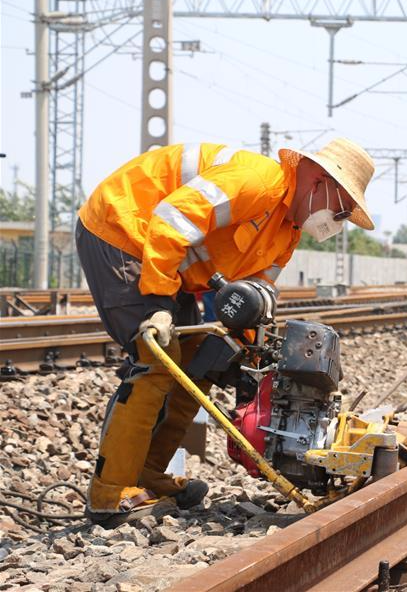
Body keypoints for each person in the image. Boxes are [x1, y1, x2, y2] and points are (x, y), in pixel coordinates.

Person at [76, 139, 375, 527]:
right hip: (122, 232)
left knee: (196, 366)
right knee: (158, 361)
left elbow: (252, 298)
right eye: (341, 210)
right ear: (320, 181)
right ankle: (110, 493)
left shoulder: (286, 233)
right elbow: (171, 218)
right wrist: (157, 306)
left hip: (167, 263)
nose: (337, 221)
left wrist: (251, 359)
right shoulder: (258, 181)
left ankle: (147, 475)